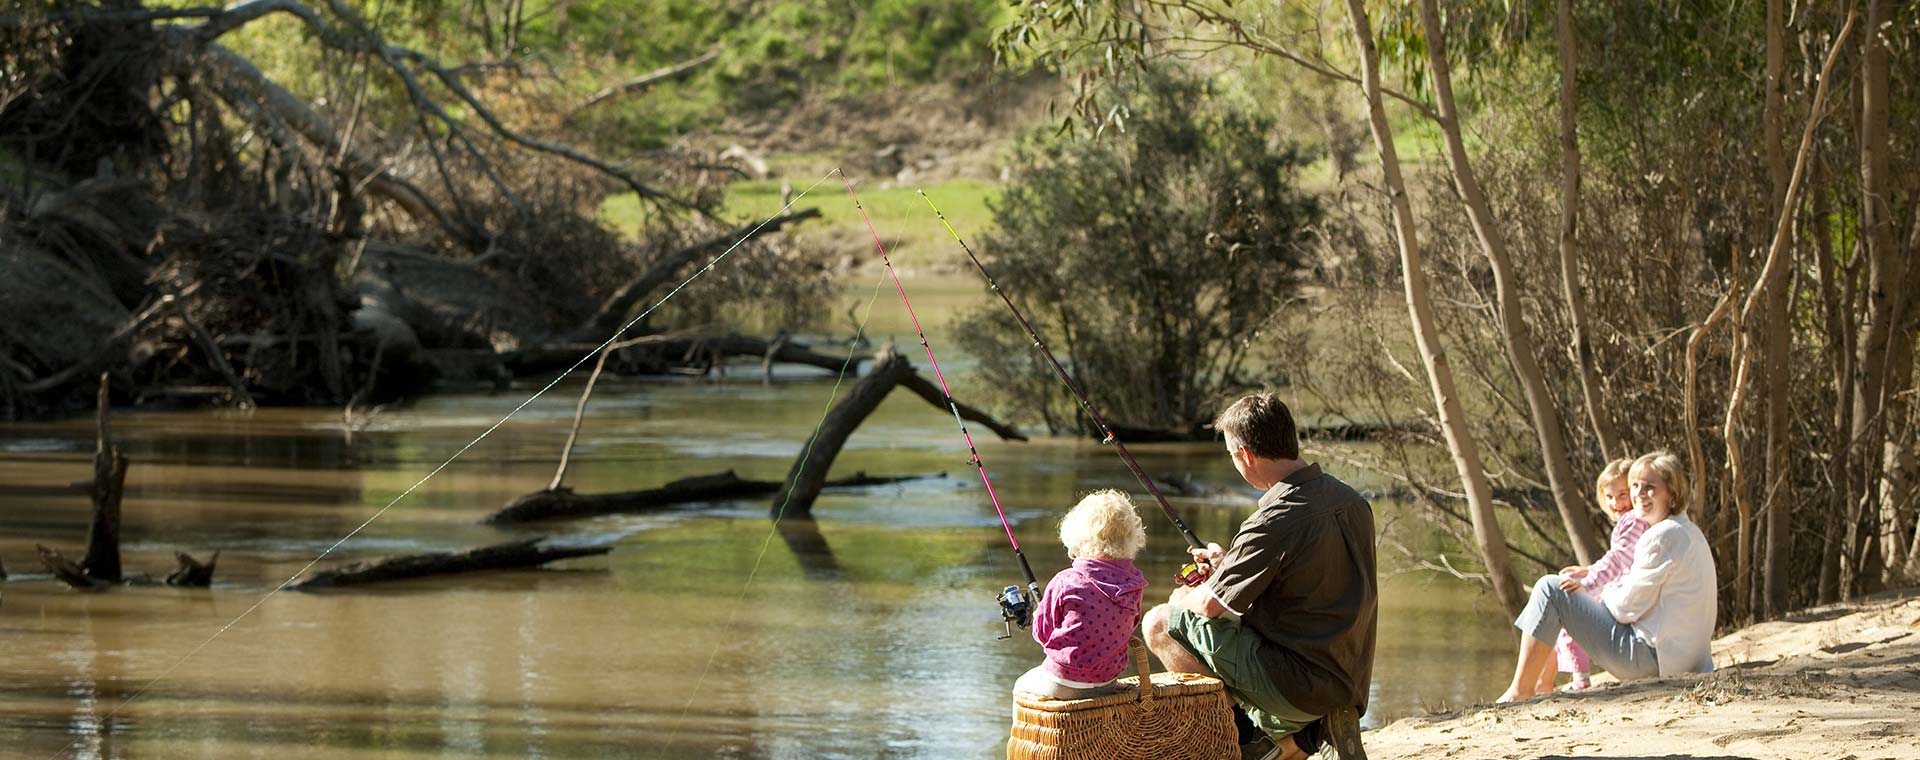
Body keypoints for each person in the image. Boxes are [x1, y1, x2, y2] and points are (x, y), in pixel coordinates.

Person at [1141, 393, 1375, 760]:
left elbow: (1208, 606)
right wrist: (1227, 565)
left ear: (1246, 454)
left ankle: (1245, 740)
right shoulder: (1351, 501)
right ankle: (1307, 737)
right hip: (1349, 683)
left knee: (1160, 623)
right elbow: (1305, 581)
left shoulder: (1270, 521)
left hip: (1299, 684)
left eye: (1233, 456)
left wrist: (1182, 597)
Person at [1497, 450, 1717, 703]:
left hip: (1653, 662)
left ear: (1673, 493)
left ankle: (1521, 690)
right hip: (1685, 659)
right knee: (1555, 590)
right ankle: (1538, 685)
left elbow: (1626, 608)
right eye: (1635, 486)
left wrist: (1595, 591)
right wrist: (1592, 575)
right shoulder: (1687, 531)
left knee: (1550, 588)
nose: (1639, 494)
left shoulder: (1661, 537)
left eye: (1649, 487)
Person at [1013, 489, 1149, 700]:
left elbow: (1041, 634)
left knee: (1021, 685)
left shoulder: (1066, 580)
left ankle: (1020, 734)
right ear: (1132, 536)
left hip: (1062, 681)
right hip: (1108, 681)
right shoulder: (1134, 583)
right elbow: (1130, 625)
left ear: (1076, 535)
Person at [1545, 458, 1646, 692]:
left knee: (1569, 612)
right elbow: (1622, 559)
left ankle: (1579, 679)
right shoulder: (1633, 521)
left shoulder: (1631, 521)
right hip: (1623, 586)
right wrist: (1588, 570)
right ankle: (1549, 681)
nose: (1616, 502)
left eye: (1622, 495)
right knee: (1568, 596)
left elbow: (1619, 560)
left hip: (1624, 592)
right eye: (1609, 497)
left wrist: (1587, 584)